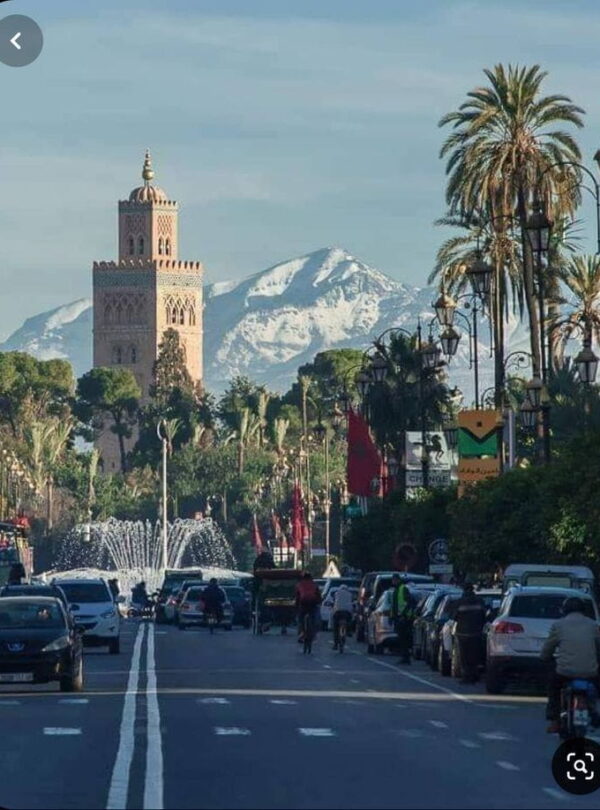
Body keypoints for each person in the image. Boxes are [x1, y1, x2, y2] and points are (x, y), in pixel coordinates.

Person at [541, 596, 600, 733]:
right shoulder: (593, 625)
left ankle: (554, 720)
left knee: (553, 688)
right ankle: (593, 712)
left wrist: (545, 658)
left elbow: (548, 648)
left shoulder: (559, 625)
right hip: (590, 672)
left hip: (564, 672)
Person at [454, 583, 486, 684]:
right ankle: (474, 675)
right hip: (476, 633)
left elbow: (454, 616)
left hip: (462, 633)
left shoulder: (459, 602)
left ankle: (466, 676)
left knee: (464, 656)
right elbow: (484, 616)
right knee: (474, 656)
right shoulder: (480, 601)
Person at [390, 574, 414, 665]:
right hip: (398, 618)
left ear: (398, 580)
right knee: (401, 638)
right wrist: (392, 617)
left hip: (404, 618)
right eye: (393, 580)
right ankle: (404, 656)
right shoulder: (396, 590)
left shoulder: (403, 589)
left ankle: (406, 657)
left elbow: (409, 603)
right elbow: (394, 605)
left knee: (404, 638)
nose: (393, 582)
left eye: (394, 580)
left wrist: (404, 615)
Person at [295, 573, 321, 642]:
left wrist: (296, 605)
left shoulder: (299, 584)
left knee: (300, 618)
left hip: (303, 603)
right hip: (313, 603)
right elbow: (318, 595)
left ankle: (301, 633)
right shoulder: (314, 584)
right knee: (314, 618)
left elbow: (297, 596)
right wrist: (319, 602)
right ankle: (313, 634)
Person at [331, 584, 354, 650]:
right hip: (347, 613)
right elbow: (351, 602)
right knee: (350, 621)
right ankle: (349, 631)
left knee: (335, 628)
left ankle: (335, 644)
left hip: (337, 612)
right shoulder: (350, 594)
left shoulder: (336, 593)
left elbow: (334, 601)